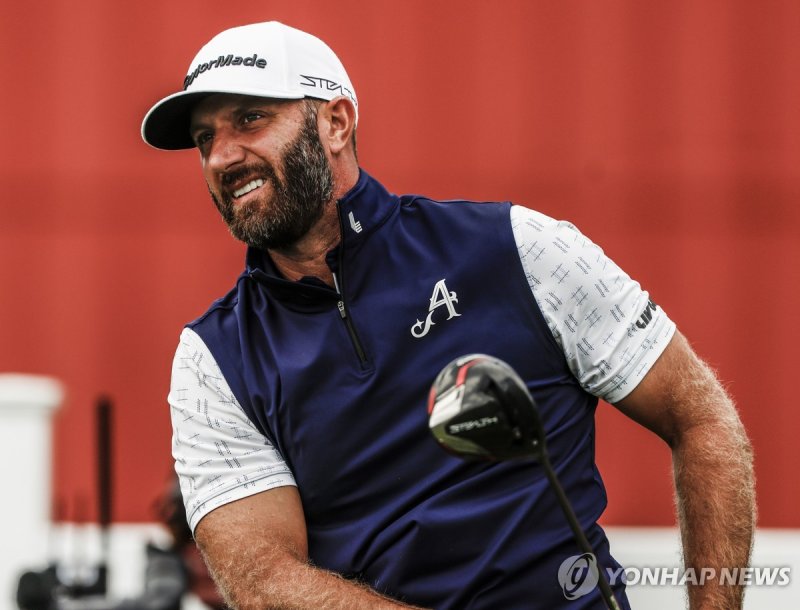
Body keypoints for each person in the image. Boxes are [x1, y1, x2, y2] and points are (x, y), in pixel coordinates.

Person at [142, 21, 755, 609]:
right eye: (204, 140)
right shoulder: (214, 360)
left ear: (334, 122)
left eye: (250, 118)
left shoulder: (515, 247)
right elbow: (265, 584)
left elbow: (700, 418)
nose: (222, 157)